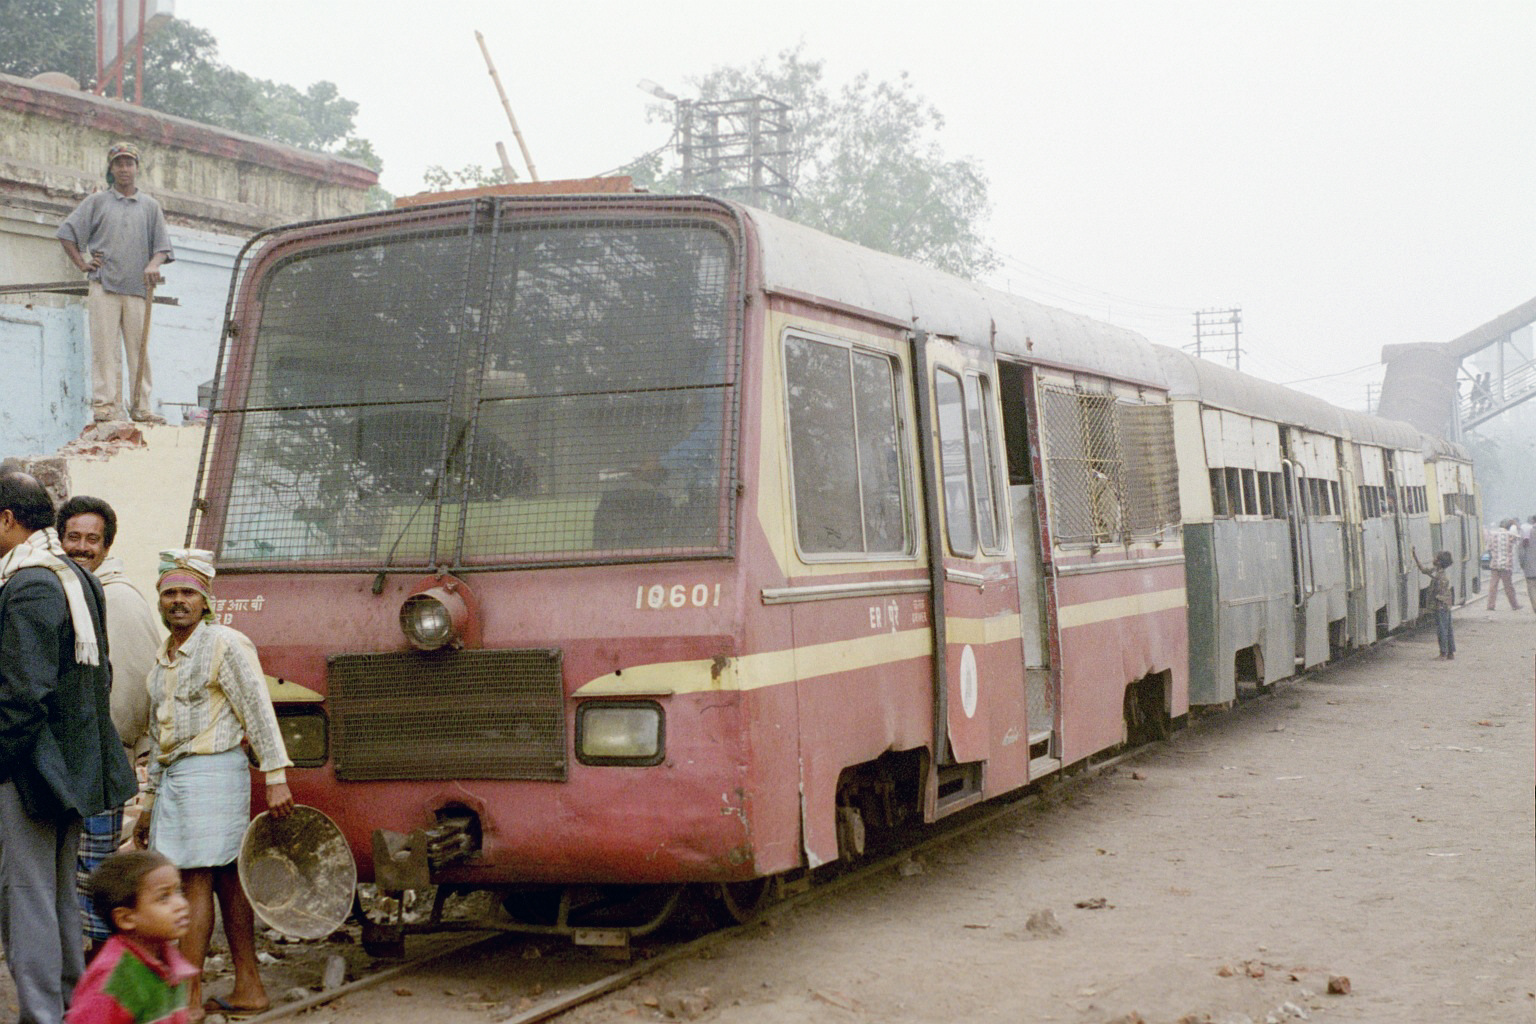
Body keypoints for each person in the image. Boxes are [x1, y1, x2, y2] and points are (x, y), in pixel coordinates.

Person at [0, 472, 138, 1024]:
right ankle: (67, 1007)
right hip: (69, 770)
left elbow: (21, 695)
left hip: (30, 771)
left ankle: (41, 1014)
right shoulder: (77, 579)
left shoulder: (28, 582)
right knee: (57, 899)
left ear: (8, 519)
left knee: (27, 900)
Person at [132, 550, 292, 1020]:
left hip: (214, 773)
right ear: (160, 601)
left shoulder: (226, 642)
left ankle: (190, 999)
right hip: (179, 780)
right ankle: (249, 986)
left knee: (194, 879)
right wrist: (148, 803)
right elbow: (163, 737)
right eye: (169, 594)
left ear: (206, 601)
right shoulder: (161, 660)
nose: (178, 602)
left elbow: (257, 709)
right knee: (226, 878)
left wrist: (276, 774)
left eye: (187, 593)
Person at [58, 496, 163, 953]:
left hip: (100, 762)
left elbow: (132, 693)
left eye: (91, 539)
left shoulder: (115, 597)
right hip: (69, 765)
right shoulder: (69, 587)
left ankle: (104, 974)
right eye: (74, 537)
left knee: (96, 878)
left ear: (106, 545)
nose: (82, 547)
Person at [56, 142, 174, 424]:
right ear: (111, 169)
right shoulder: (97, 202)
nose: (124, 169)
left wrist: (153, 264)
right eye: (118, 164)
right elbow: (67, 233)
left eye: (129, 163)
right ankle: (105, 406)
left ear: (136, 167)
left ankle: (141, 407)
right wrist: (83, 263)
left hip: (137, 288)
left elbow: (162, 247)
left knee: (139, 350)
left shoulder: (150, 206)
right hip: (103, 285)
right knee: (104, 349)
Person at [66, 850, 195, 1024]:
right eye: (164, 897)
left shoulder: (169, 962)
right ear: (126, 919)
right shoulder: (114, 978)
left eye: (179, 891)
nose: (181, 904)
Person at [1413, 548, 1456, 660]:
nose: (1433, 559)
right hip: (1446, 604)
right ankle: (1450, 652)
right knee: (1448, 628)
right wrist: (1415, 556)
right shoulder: (1439, 572)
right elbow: (1423, 570)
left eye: (1435, 558)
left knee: (1442, 629)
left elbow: (1437, 591)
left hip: (1440, 605)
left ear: (1439, 562)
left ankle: (1443, 653)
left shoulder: (1439, 575)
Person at [1484, 518, 1521, 610]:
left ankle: (1490, 605)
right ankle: (1514, 605)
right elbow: (1519, 540)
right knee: (1508, 586)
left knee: (1493, 586)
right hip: (1506, 564)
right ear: (1509, 526)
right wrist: (1515, 525)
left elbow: (1488, 548)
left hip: (1495, 564)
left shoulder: (1492, 535)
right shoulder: (1511, 535)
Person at [1520, 516, 1536, 614]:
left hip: (1530, 567)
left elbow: (1521, 551)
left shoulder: (1527, 533)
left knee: (1532, 588)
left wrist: (1523, 564)